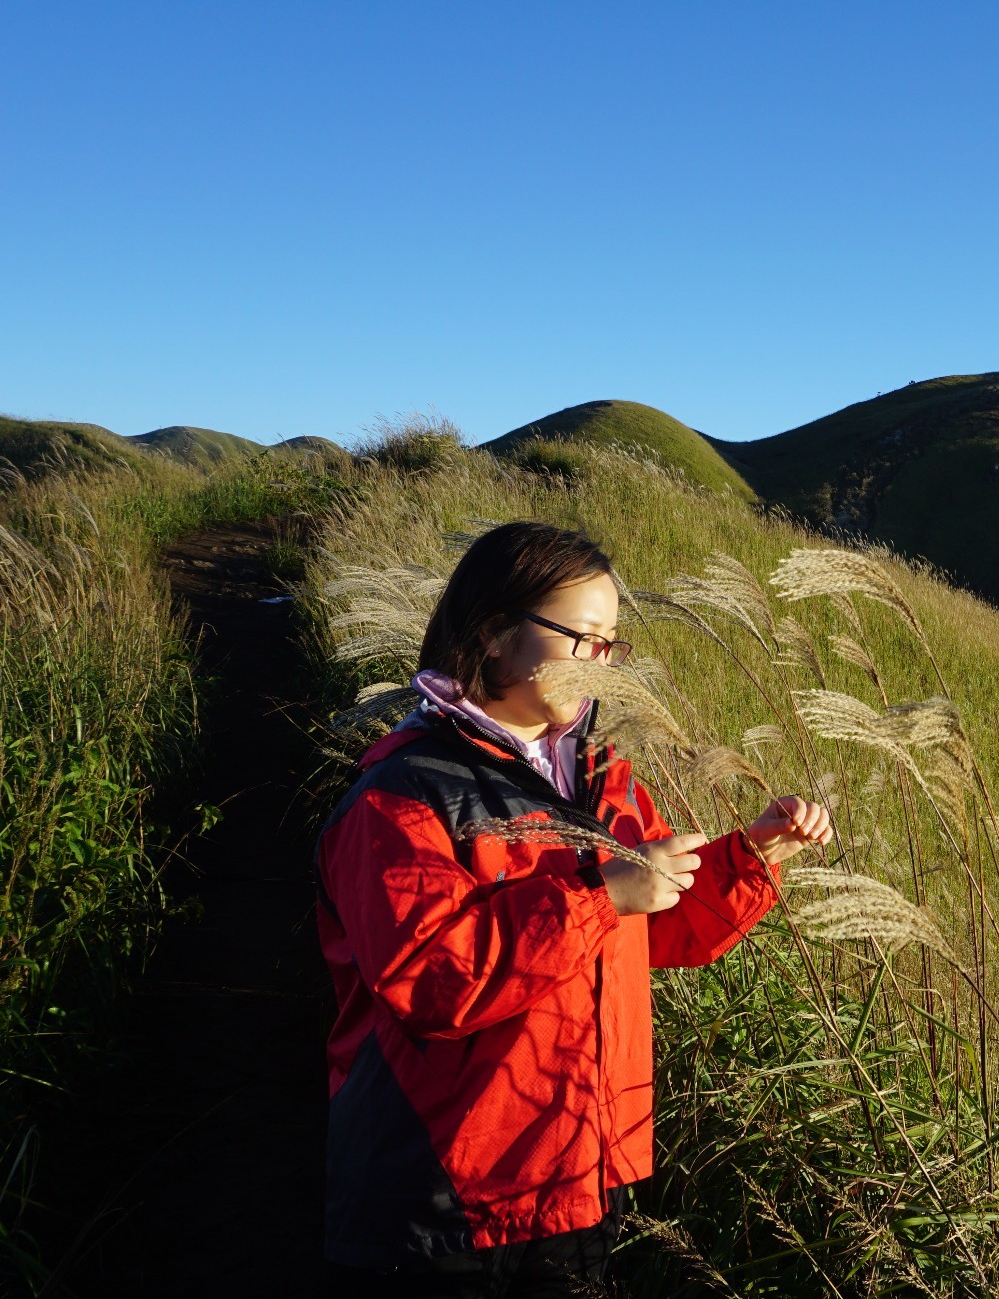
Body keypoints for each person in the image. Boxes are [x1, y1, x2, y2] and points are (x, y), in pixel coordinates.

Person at [316, 520, 830, 1296]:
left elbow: (663, 928)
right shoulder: (401, 794)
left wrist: (750, 857)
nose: (603, 662)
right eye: (584, 638)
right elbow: (432, 979)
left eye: (613, 643)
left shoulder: (598, 774)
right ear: (493, 635)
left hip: (581, 1171)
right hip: (439, 1193)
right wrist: (601, 896)